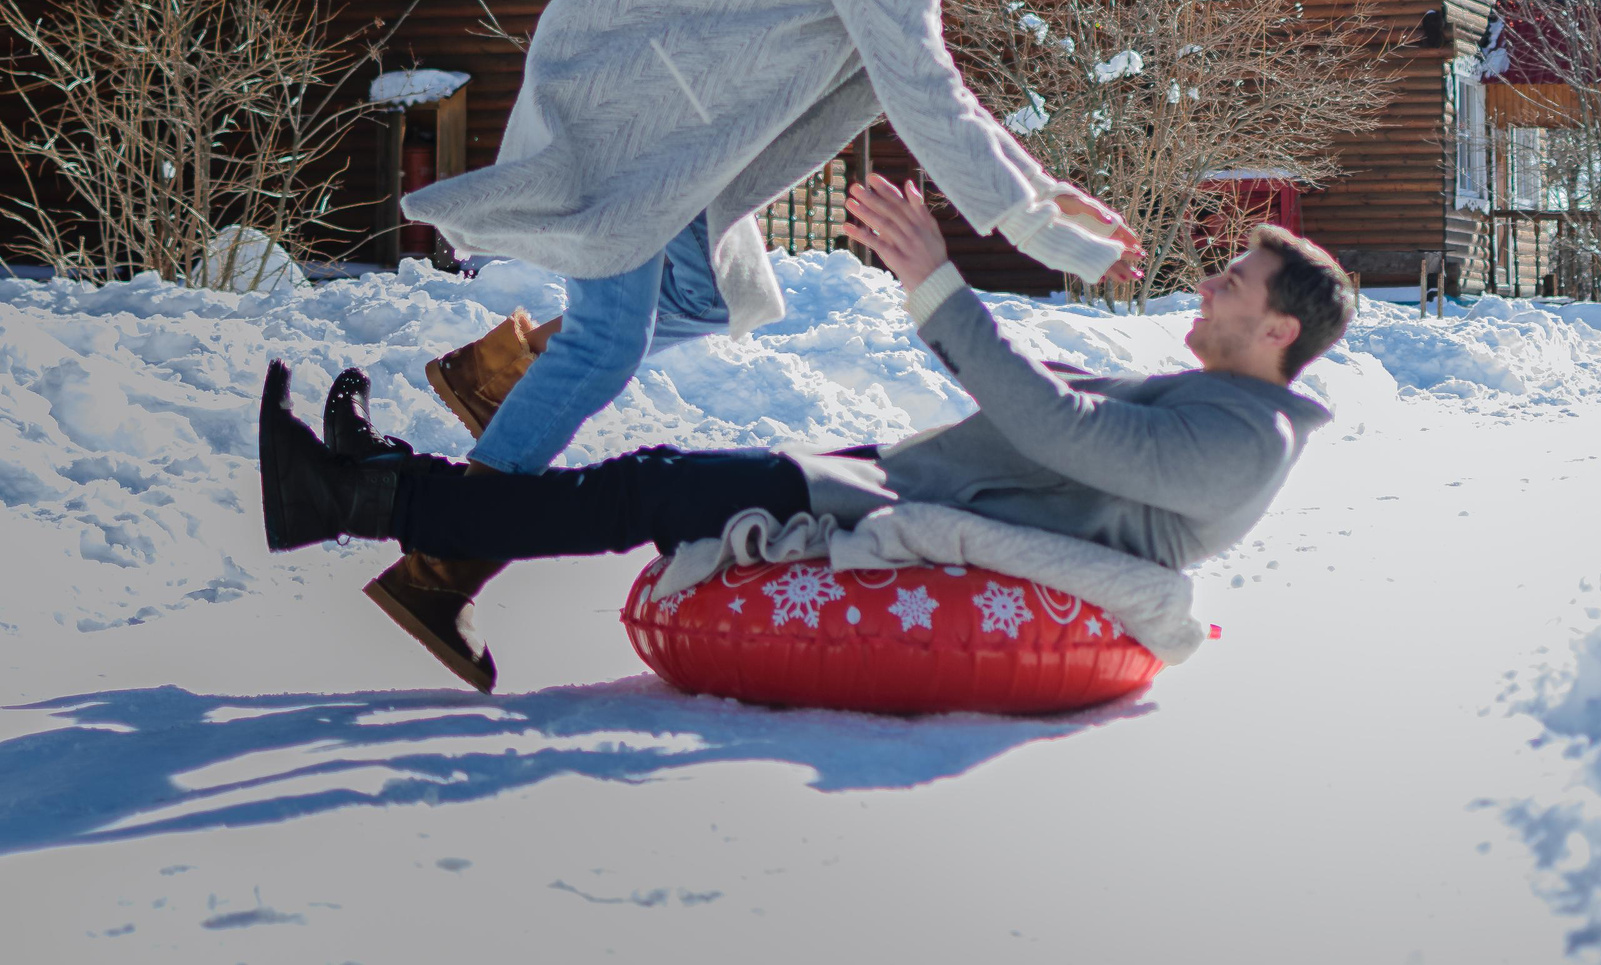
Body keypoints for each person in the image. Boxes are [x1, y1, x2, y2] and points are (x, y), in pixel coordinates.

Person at [378, 0, 1145, 689]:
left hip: (678, 116)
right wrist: (1044, 232)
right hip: (631, 90)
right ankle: (438, 563)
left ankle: (505, 371)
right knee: (608, 342)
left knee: (697, 299)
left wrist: (1050, 194)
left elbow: (933, 80)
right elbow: (920, 87)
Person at [260, 180, 1353, 687]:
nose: (1210, 283)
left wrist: (937, 283)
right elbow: (1053, 396)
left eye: (1235, 279)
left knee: (638, 491)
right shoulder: (1224, 404)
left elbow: (1057, 426)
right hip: (866, 480)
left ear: (1279, 327)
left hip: (867, 509)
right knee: (640, 488)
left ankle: (362, 495)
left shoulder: (1241, 443)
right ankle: (365, 486)